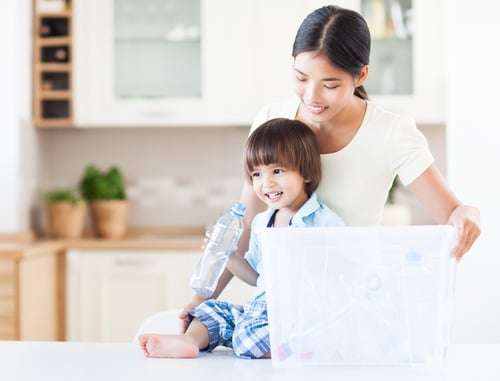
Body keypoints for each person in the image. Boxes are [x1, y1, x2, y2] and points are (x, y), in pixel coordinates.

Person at [178, 4, 481, 333]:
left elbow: (451, 212)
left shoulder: (391, 132)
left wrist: (468, 214)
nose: (312, 96)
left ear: (361, 75)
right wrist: (199, 299)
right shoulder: (271, 119)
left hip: (349, 310)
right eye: (301, 77)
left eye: (330, 84)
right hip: (285, 310)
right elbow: (245, 225)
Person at [139, 118, 344, 358]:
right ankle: (189, 342)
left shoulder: (322, 222)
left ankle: (302, 347)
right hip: (260, 311)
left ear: (306, 172)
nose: (266, 183)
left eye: (277, 171)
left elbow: (339, 275)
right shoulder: (262, 222)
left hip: (297, 313)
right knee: (210, 312)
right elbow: (257, 278)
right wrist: (228, 256)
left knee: (247, 337)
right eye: (257, 174)